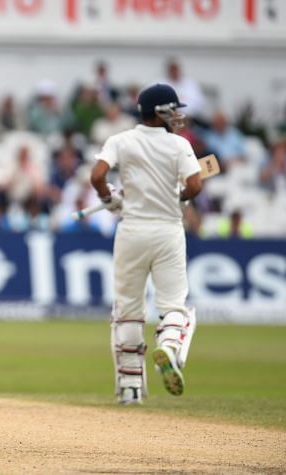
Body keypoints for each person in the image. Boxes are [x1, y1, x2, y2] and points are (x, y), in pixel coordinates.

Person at [90, 83, 203, 405]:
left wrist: (109, 198)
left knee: (127, 310)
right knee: (173, 306)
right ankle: (169, 347)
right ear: (161, 112)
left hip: (131, 231)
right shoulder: (178, 144)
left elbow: (97, 175)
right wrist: (179, 199)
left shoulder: (121, 140)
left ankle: (130, 388)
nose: (178, 115)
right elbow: (194, 184)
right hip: (168, 230)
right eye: (174, 109)